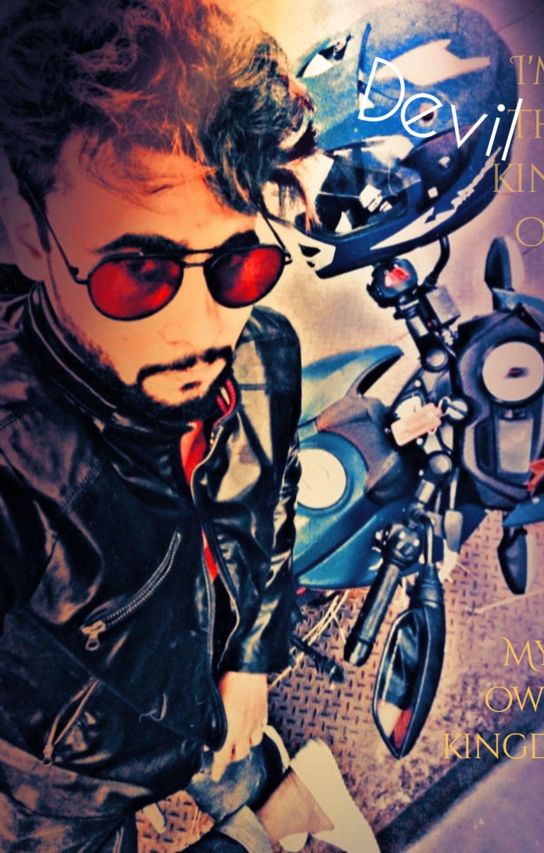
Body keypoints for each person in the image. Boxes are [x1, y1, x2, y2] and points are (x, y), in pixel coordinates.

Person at [0, 1, 378, 850]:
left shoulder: (262, 350)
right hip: (68, 799)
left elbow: (269, 503)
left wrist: (250, 656)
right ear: (30, 236)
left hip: (214, 700)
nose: (204, 330)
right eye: (141, 269)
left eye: (239, 263)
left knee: (240, 767)